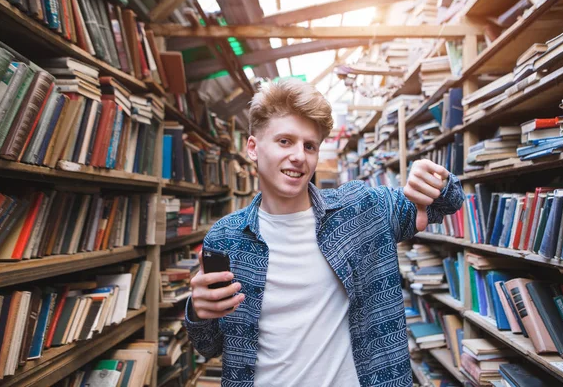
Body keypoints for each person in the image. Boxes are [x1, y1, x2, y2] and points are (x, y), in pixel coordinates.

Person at [185, 79, 464, 387]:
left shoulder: (361, 210)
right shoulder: (226, 238)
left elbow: (442, 206)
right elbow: (207, 345)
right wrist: (198, 311)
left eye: (309, 146)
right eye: (285, 141)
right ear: (253, 147)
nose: (299, 156)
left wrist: (436, 179)